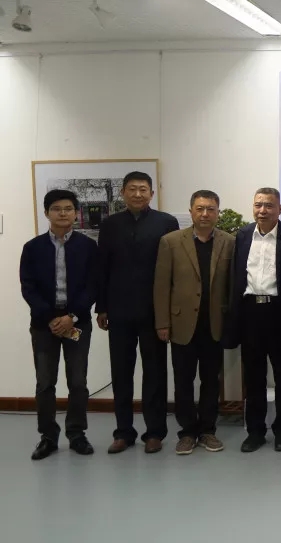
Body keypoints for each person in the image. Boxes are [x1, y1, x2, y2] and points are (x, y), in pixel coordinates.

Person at [96, 171, 178, 454]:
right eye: (132, 189)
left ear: (152, 194)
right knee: (121, 373)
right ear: (123, 193)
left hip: (154, 311)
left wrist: (168, 312)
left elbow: (172, 270)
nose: (138, 194)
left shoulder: (166, 222)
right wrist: (101, 306)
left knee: (155, 373)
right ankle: (123, 432)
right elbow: (102, 268)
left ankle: (154, 432)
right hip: (118, 311)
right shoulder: (110, 225)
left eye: (143, 189)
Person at [154, 190, 235, 455]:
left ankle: (208, 430)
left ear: (218, 212)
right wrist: (162, 323)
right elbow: (161, 286)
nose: (205, 214)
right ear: (191, 211)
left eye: (211, 209)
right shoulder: (170, 242)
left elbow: (232, 286)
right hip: (182, 324)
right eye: (200, 209)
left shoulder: (229, 242)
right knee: (183, 381)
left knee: (211, 380)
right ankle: (187, 432)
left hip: (214, 324)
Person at [20, 190, 99, 460]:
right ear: (47, 213)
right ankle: (48, 437)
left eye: (68, 208)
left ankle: (76, 434)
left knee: (78, 381)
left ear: (76, 213)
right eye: (56, 208)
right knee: (45, 383)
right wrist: (50, 318)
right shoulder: (32, 248)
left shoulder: (88, 247)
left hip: (77, 321)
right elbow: (28, 287)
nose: (62, 213)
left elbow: (93, 285)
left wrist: (71, 316)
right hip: (44, 325)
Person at [230, 188, 281, 453]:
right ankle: (255, 431)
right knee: (254, 376)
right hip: (250, 312)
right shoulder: (242, 236)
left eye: (269, 205)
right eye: (258, 205)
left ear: (279, 209)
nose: (263, 210)